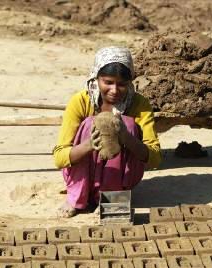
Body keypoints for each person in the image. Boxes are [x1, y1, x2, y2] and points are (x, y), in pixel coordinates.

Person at [53, 46, 161, 218]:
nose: (115, 90)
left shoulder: (139, 104)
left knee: (129, 124)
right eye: (108, 82)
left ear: (130, 82)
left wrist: (126, 137)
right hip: (85, 171)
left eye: (122, 84)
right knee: (91, 123)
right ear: (96, 78)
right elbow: (59, 157)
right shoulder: (80, 101)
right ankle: (76, 197)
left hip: (121, 178)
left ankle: (113, 197)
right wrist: (89, 145)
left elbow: (155, 158)